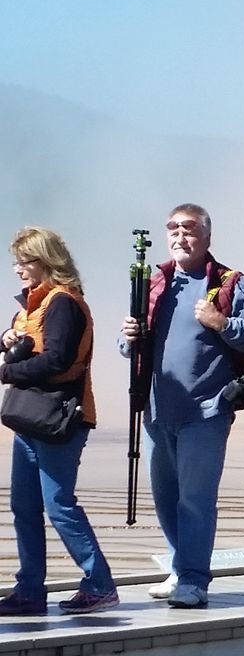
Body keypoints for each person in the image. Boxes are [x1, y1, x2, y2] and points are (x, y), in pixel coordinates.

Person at [119, 203, 244, 608]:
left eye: (189, 229)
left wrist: (221, 323)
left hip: (206, 411)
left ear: (206, 237)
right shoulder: (154, 283)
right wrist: (128, 337)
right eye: (173, 228)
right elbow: (130, 346)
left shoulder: (230, 283)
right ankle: (180, 566)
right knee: (165, 497)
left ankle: (194, 580)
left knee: (195, 498)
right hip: (156, 410)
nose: (179, 235)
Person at [0, 228, 118, 616]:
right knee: (25, 506)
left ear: (46, 261)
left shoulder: (62, 302)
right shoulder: (35, 304)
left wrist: (6, 371)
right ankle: (30, 590)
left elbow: (58, 361)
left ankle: (99, 585)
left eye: (24, 261)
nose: (17, 269)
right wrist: (7, 338)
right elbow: (36, 349)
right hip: (34, 421)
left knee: (59, 505)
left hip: (60, 420)